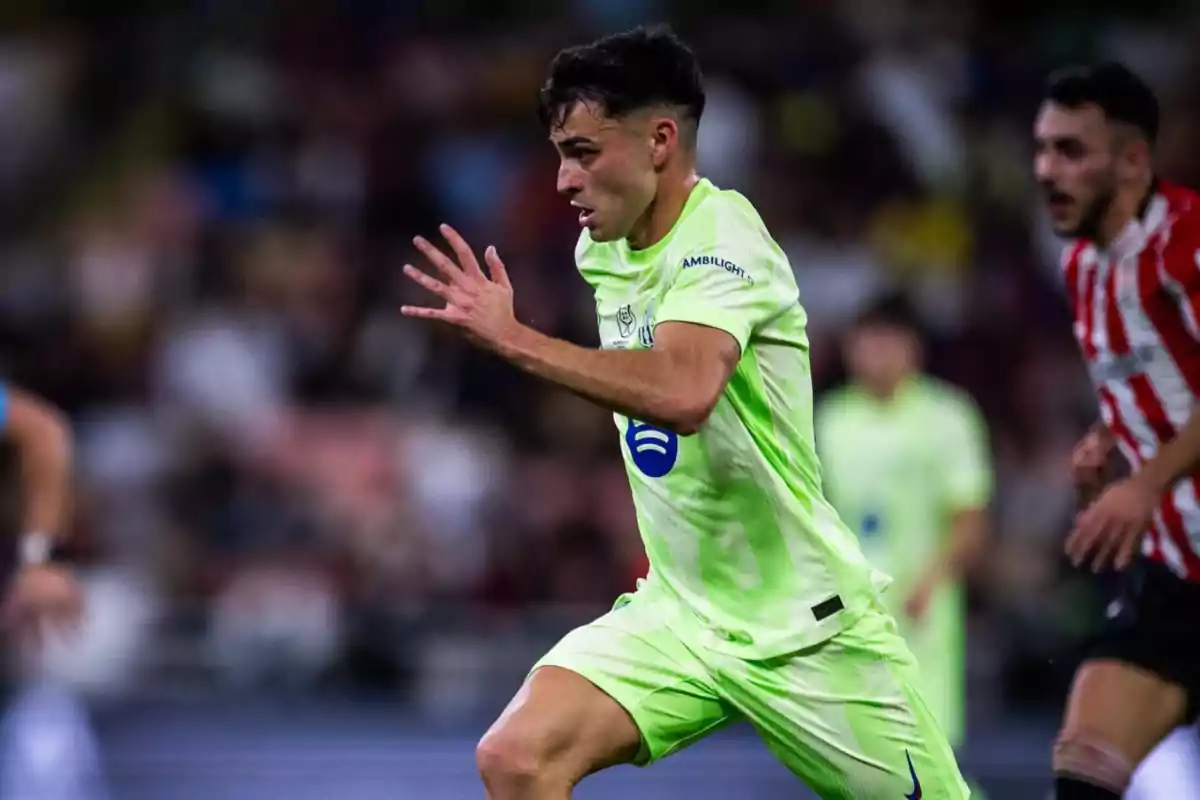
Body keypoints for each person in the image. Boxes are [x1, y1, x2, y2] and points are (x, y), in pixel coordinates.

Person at [400, 24, 968, 800]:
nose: (564, 179)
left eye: (585, 152)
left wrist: (515, 339)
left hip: (805, 627)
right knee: (517, 756)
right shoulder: (602, 250)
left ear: (661, 140)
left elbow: (682, 394)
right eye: (560, 152)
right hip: (683, 612)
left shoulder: (723, 237)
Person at [1034, 61, 1200, 799]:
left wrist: (1149, 482)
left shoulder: (1187, 243)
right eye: (1042, 148)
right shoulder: (1081, 266)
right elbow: (1163, 379)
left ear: (1134, 159)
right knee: (1083, 766)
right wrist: (1112, 438)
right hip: (1171, 572)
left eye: (1072, 151)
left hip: (1166, 525)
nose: (1046, 170)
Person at [815, 293, 992, 795]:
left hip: (922, 611)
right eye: (867, 342)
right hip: (847, 611)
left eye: (889, 342)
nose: (877, 353)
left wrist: (931, 580)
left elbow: (970, 518)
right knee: (860, 759)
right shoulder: (830, 420)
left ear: (913, 348)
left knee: (923, 756)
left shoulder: (948, 416)